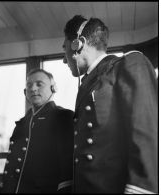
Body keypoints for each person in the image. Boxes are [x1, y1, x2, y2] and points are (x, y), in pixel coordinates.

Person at [63, 15, 158, 194]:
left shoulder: (129, 64)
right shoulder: (87, 83)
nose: (63, 59)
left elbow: (147, 136)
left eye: (65, 48)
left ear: (78, 44)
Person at [0, 69, 74, 193]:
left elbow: (67, 168)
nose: (33, 89)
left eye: (39, 84)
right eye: (29, 86)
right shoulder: (21, 124)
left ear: (53, 88)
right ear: (25, 92)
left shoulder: (63, 117)